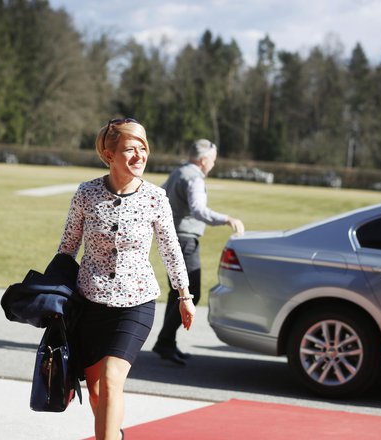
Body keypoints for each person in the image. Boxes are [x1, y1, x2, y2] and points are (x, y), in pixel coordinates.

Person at [58, 118, 195, 440]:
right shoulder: (86, 193)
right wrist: (49, 294)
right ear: (108, 155)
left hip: (136, 303)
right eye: (130, 150)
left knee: (110, 380)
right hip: (89, 305)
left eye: (143, 149)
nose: (139, 156)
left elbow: (171, 250)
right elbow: (67, 248)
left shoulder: (155, 198)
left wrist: (184, 295)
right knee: (95, 392)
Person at [152, 139, 244, 365]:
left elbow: (160, 195)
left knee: (178, 293)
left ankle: (166, 342)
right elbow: (198, 210)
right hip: (185, 241)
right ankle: (165, 341)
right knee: (190, 293)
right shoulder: (193, 177)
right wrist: (227, 219)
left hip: (174, 238)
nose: (213, 164)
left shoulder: (178, 172)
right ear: (203, 159)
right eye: (212, 159)